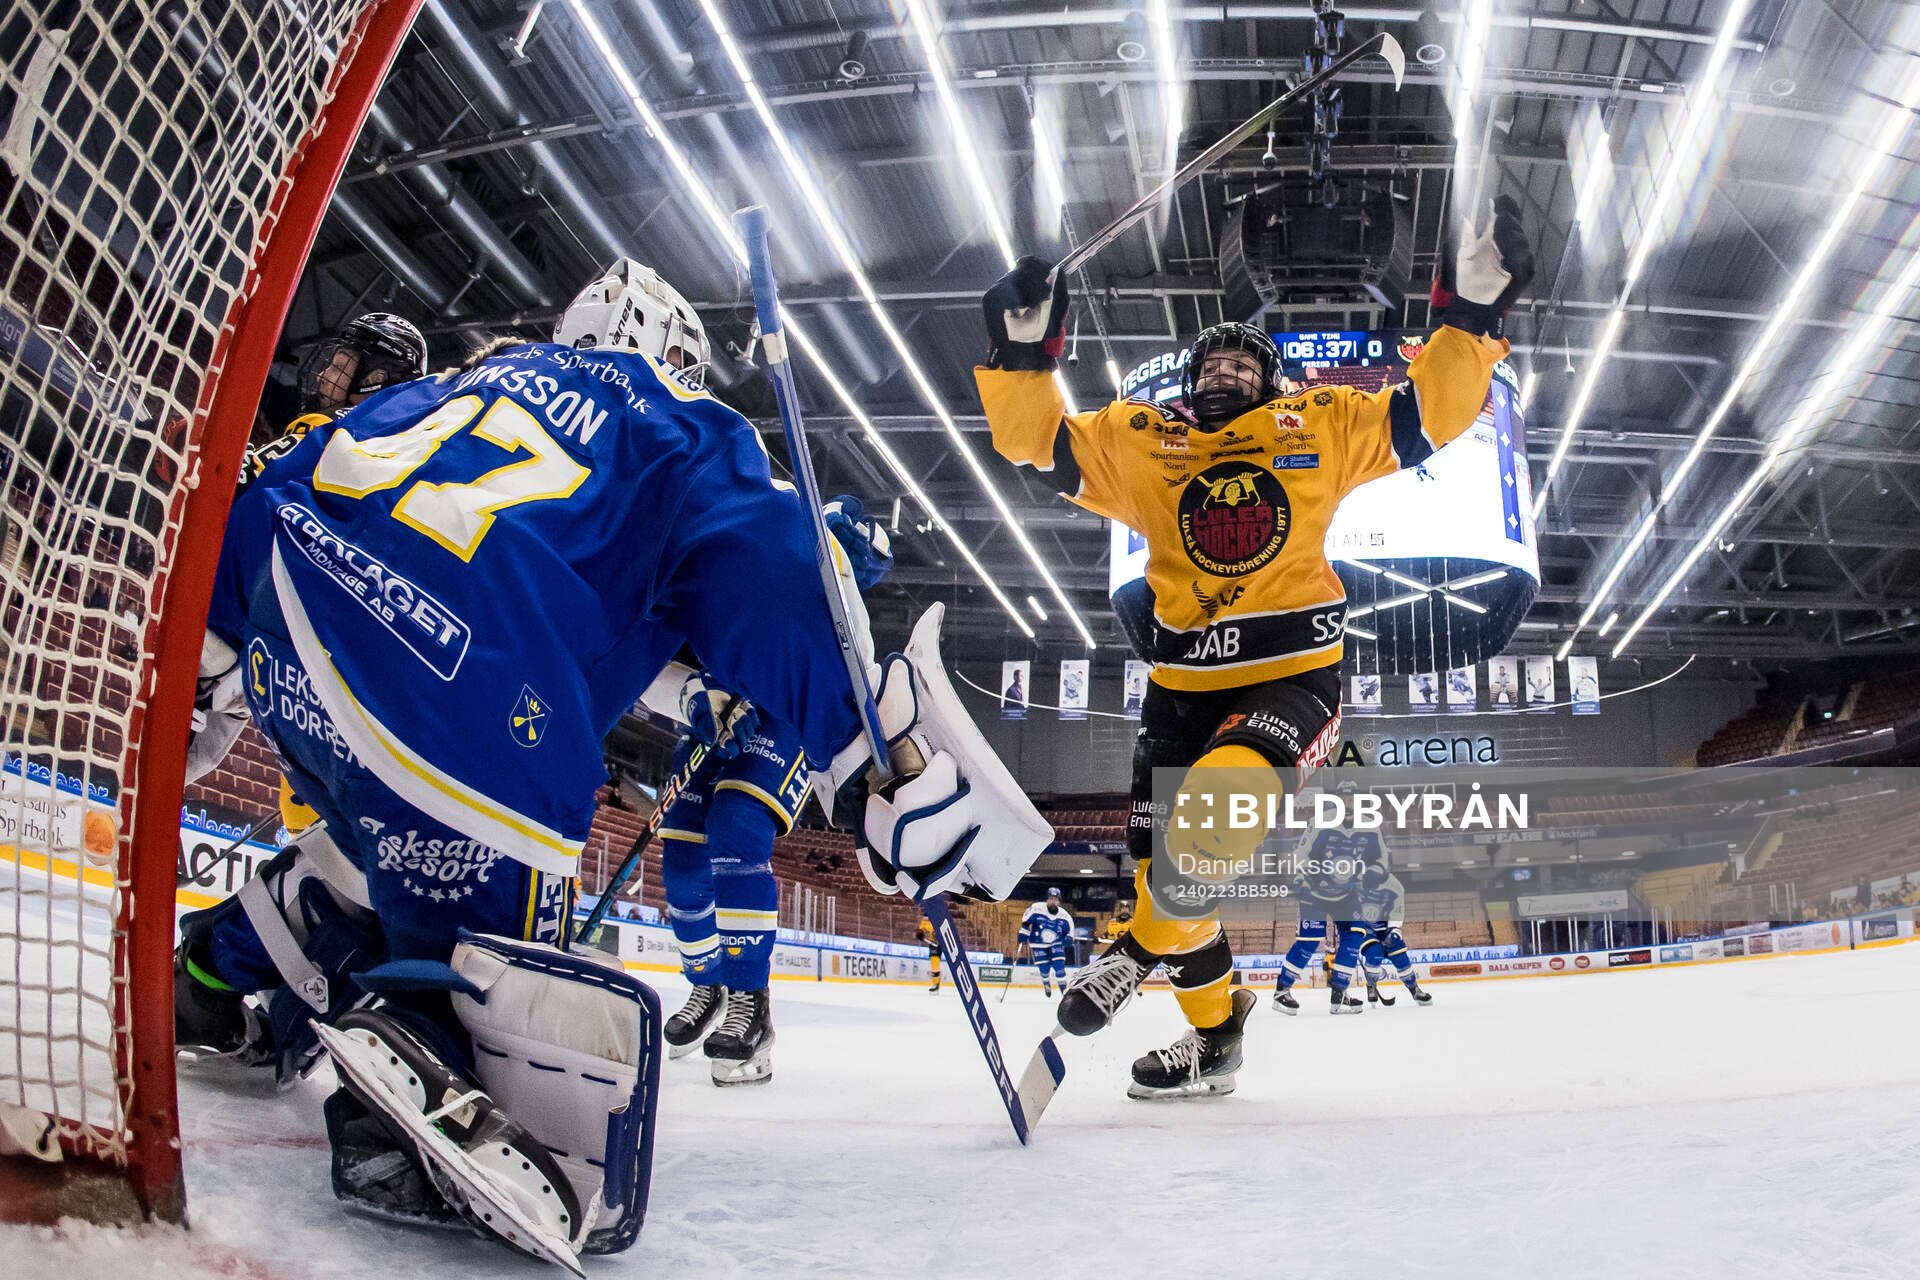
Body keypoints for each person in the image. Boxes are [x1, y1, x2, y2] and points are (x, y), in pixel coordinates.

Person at [178, 257, 1045, 1267]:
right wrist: (875, 757)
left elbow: (277, 488)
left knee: (378, 839)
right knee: (502, 969)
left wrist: (208, 656)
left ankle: (220, 964)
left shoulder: (455, 382)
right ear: (669, 352)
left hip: (296, 640)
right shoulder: (677, 423)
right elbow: (775, 573)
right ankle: (416, 1034)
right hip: (460, 697)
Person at [976, 191, 1531, 1098]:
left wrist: (1469, 316)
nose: (1229, 366)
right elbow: (1035, 444)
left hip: (1292, 679)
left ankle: (1127, 955)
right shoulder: (1138, 440)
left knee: (1209, 823)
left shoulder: (1319, 424)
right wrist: (1018, 355)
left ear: (1273, 383)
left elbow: (1431, 415)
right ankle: (1217, 1039)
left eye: (1247, 360)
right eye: (1216, 356)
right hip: (1178, 690)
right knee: (1176, 885)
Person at [658, 497, 894, 1084]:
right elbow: (659, 646)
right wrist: (691, 694)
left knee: (736, 830)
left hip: (782, 718)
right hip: (710, 709)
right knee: (682, 858)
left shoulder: (837, 600)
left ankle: (749, 1002)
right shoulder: (732, 537)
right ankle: (707, 985)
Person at [1019, 887, 1076, 997]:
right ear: (1047, 899)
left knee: (1059, 967)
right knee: (1044, 968)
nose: (1053, 901)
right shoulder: (1036, 908)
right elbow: (1026, 922)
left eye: (1055, 899)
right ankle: (1046, 982)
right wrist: (1023, 934)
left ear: (1059, 902)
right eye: (1051, 898)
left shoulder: (1065, 916)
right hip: (1037, 943)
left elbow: (1070, 932)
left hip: (1056, 943)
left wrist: (1068, 939)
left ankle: (1064, 993)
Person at [919, 915, 942, 992]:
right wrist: (919, 933)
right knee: (934, 962)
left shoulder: (941, 912)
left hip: (945, 941)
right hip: (933, 942)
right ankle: (935, 983)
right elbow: (921, 929)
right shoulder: (926, 916)